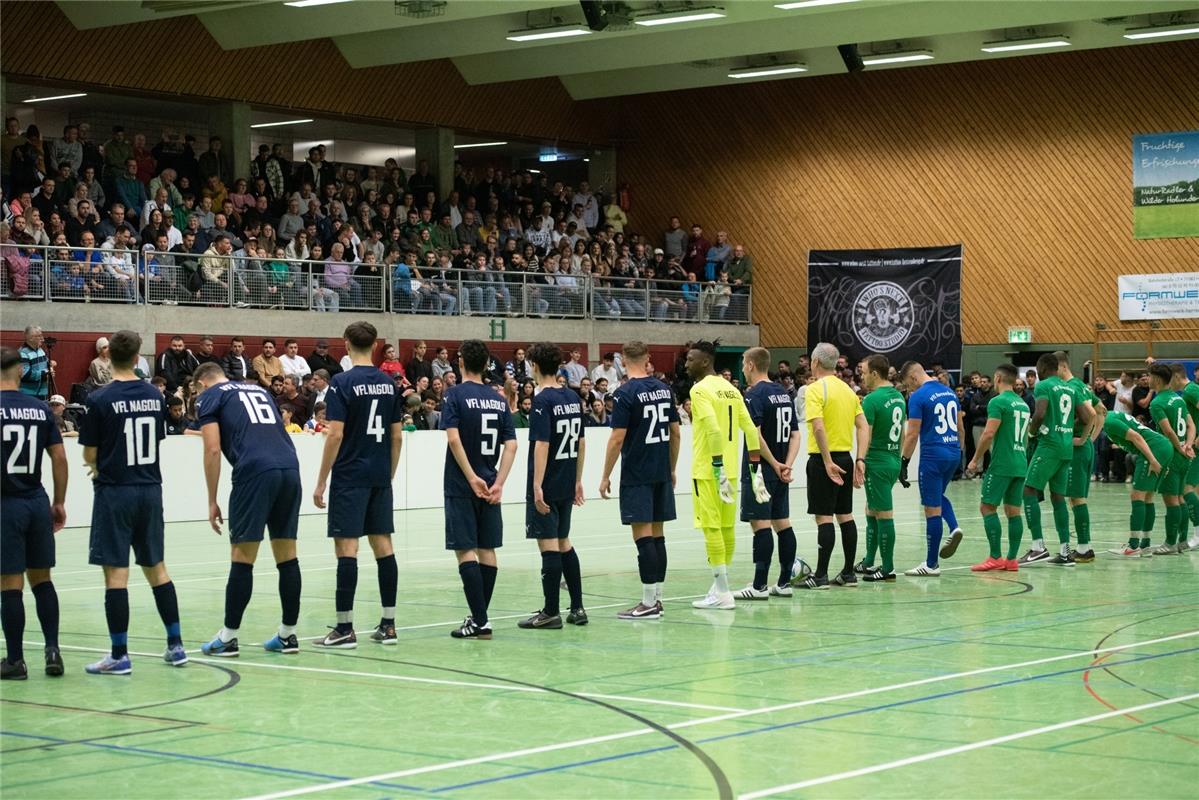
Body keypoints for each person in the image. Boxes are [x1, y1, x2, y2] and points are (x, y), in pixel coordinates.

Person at [79, 331, 186, 674]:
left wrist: (96, 467)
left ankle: (119, 654)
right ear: (139, 355)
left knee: (116, 575)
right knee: (157, 568)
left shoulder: (99, 398)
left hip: (115, 491)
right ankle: (176, 645)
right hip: (150, 489)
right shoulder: (155, 396)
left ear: (108, 356)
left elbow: (90, 452)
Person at [194, 362, 303, 656]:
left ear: (202, 384)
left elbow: (212, 449)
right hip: (290, 467)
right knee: (287, 555)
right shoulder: (258, 389)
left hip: (254, 473)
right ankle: (287, 635)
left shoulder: (209, 396)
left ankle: (228, 638)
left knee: (242, 557)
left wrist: (211, 498)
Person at [312, 322, 404, 647]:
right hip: (379, 475)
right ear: (376, 344)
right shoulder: (389, 383)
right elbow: (396, 437)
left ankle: (344, 628)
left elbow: (335, 434)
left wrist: (321, 480)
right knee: (384, 546)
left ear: (346, 343)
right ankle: (389, 625)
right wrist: (388, 474)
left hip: (350, 476)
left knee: (347, 550)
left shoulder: (342, 382)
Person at [684, 340, 771, 609]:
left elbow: (713, 429)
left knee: (711, 529)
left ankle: (722, 593)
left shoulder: (699, 390)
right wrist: (755, 470)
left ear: (704, 362)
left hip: (710, 471)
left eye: (690, 359)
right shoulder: (732, 389)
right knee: (726, 528)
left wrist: (717, 467)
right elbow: (750, 428)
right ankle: (719, 588)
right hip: (732, 471)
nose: (686, 364)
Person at [440, 340, 517, 640]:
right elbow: (511, 445)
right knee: (487, 549)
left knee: (465, 550)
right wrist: (499, 482)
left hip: (463, 484)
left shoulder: (454, 395)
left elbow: (453, 439)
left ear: (460, 362)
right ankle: (479, 617)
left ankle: (481, 620)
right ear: (487, 365)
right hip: (491, 484)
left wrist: (471, 476)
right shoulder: (498, 399)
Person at [0, 347, 68, 680]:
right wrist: (58, 501)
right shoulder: (41, 410)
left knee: (10, 584)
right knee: (42, 581)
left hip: (6, 504)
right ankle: (53, 650)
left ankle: (15, 660)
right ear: (21, 372)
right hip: (36, 501)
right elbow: (59, 458)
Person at [600, 341, 679, 620]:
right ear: (647, 358)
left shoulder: (624, 394)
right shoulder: (664, 389)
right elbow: (675, 432)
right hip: (660, 470)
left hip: (637, 473)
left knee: (643, 537)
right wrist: (672, 468)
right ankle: (657, 598)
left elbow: (617, 438)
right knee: (658, 536)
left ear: (623, 360)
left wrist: (605, 475)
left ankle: (647, 604)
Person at [518, 342, 587, 630]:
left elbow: (542, 445)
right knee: (564, 542)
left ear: (534, 366)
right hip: (567, 478)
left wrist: (537, 485)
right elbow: (582, 441)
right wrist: (578, 479)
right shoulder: (571, 396)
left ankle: (550, 612)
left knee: (548, 546)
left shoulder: (542, 401)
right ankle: (578, 608)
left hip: (548, 481)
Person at [796, 343, 868, 589]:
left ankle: (821, 575)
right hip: (846, 458)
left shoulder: (814, 389)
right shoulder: (848, 390)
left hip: (822, 460)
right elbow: (863, 426)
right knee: (845, 515)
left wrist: (826, 461)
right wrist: (860, 459)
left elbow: (818, 427)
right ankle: (848, 573)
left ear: (815, 362)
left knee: (824, 517)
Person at [730, 347, 799, 599]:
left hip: (760, 469)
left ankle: (759, 585)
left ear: (750, 365)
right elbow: (795, 434)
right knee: (782, 523)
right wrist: (786, 463)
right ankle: (783, 583)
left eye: (743, 364)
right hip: (781, 470)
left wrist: (773, 463)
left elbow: (755, 435)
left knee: (760, 525)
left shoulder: (754, 395)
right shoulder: (783, 392)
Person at [1017, 353, 1093, 565]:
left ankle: (1038, 547)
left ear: (1041, 369)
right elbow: (1088, 417)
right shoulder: (1071, 387)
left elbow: (1039, 414)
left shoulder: (1043, 386)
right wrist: (1068, 429)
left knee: (1028, 490)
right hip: (1067, 448)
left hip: (1048, 446)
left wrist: (1031, 433)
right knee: (1058, 497)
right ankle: (1065, 552)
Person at [899, 360, 966, 577]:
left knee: (931, 507)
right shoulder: (949, 392)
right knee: (937, 496)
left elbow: (912, 433)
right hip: (953, 452)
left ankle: (931, 564)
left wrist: (904, 462)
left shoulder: (918, 396)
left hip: (932, 455)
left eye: (908, 386)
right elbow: (960, 426)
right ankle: (954, 527)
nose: (909, 390)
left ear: (913, 378)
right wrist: (959, 452)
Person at [966, 364, 1029, 572]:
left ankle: (995, 557)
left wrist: (975, 459)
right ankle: (1011, 560)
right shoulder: (1023, 404)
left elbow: (989, 433)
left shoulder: (998, 402)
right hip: (1021, 463)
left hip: (1002, 463)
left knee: (987, 507)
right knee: (1013, 512)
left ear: (998, 378)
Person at [852, 355, 906, 582]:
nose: (861, 377)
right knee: (871, 509)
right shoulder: (898, 397)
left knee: (883, 513)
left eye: (864, 372)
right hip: (892, 459)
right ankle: (869, 560)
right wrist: (898, 458)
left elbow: (866, 433)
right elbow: (902, 432)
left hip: (876, 461)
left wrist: (860, 460)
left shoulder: (872, 400)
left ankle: (888, 568)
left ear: (875, 373)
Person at [1102, 409, 1173, 558]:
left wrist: (1153, 460)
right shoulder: (1112, 416)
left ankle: (1133, 546)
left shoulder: (1109, 421)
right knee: (1148, 498)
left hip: (1153, 450)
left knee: (1137, 496)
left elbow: (1136, 437)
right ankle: (1145, 545)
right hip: (1163, 446)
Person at [1059, 352, 1104, 563]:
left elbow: (1093, 414)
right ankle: (1084, 546)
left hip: (1077, 448)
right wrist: (1092, 439)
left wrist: (1084, 438)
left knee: (1077, 498)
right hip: (1084, 447)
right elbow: (1102, 409)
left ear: (1062, 367)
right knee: (1076, 498)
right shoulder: (1081, 385)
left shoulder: (1072, 387)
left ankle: (1084, 548)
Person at [1145, 363, 1194, 554]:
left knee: (1171, 500)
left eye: (1148, 376)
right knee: (1180, 498)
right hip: (1184, 456)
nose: (1147, 379)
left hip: (1171, 456)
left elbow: (1168, 431)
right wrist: (1188, 445)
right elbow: (1191, 425)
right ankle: (1182, 541)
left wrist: (1179, 449)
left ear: (1156, 379)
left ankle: (1170, 543)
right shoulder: (1178, 398)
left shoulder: (1157, 403)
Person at [18, 326, 55, 400]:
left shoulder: (40, 350)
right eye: (39, 336)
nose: (43, 339)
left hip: (42, 393)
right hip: (28, 395)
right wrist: (45, 374)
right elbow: (24, 374)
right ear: (31, 338)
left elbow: (45, 363)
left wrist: (50, 364)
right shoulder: (23, 353)